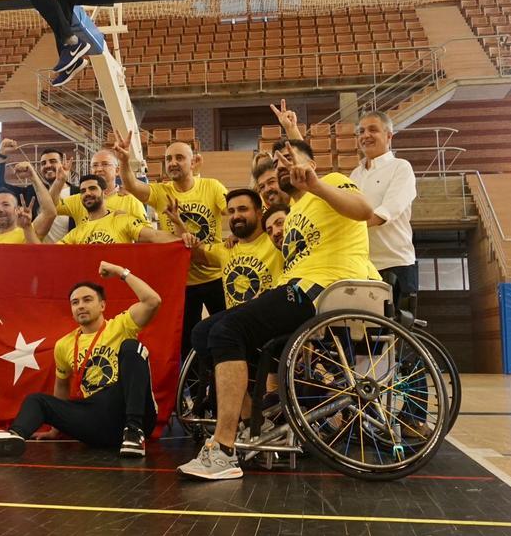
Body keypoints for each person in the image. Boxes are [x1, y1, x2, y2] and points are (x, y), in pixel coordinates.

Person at [179, 139, 378, 481]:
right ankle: (251, 421)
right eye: (278, 164)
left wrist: (314, 181)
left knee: (228, 329)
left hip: (323, 288)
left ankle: (224, 449)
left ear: (310, 163)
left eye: (289, 161)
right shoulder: (296, 209)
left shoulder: (329, 182)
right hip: (294, 286)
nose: (283, 167)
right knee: (203, 331)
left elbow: (364, 210)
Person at [0, 261, 160, 458]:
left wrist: (119, 271)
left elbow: (152, 301)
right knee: (36, 400)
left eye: (87, 300)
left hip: (129, 409)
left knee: (132, 347)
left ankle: (134, 431)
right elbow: (62, 387)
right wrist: (56, 427)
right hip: (96, 419)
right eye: (75, 302)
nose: (81, 306)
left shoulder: (122, 325)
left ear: (102, 305)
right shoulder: (64, 344)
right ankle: (13, 438)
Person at [113, 132, 227, 356]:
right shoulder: (160, 192)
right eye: (169, 159)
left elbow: (231, 212)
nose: (173, 163)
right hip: (182, 281)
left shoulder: (212, 187)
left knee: (223, 333)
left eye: (179, 158)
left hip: (215, 275)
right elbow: (132, 185)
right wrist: (124, 161)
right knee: (186, 340)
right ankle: (192, 387)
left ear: (193, 162)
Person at [348, 110, 418, 310]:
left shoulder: (401, 168)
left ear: (389, 136)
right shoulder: (355, 175)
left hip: (396, 264)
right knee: (364, 336)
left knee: (395, 336)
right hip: (362, 268)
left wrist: (349, 228)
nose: (365, 135)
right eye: (361, 131)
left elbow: (388, 211)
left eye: (373, 130)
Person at [187, 189, 284, 309]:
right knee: (201, 328)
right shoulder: (227, 248)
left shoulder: (276, 241)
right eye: (231, 211)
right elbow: (190, 252)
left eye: (243, 209)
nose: (236, 216)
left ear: (259, 213)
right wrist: (178, 222)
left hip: (268, 320)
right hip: (235, 322)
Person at [37, 175, 184, 246]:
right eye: (83, 191)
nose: (87, 193)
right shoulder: (77, 232)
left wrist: (184, 238)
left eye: (92, 188)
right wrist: (26, 229)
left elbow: (155, 236)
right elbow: (48, 254)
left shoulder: (123, 220)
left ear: (104, 192)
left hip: (119, 290)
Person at [0, 139, 76, 242]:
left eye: (53, 161)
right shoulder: (31, 192)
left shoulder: (78, 193)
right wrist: (2, 154)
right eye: (43, 163)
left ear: (63, 163)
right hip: (36, 251)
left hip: (69, 252)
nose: (48, 165)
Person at [50, 148, 146, 227]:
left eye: (105, 164)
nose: (99, 169)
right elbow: (50, 206)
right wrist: (59, 181)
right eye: (95, 165)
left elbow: (145, 236)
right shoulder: (80, 199)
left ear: (117, 170)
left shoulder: (131, 202)